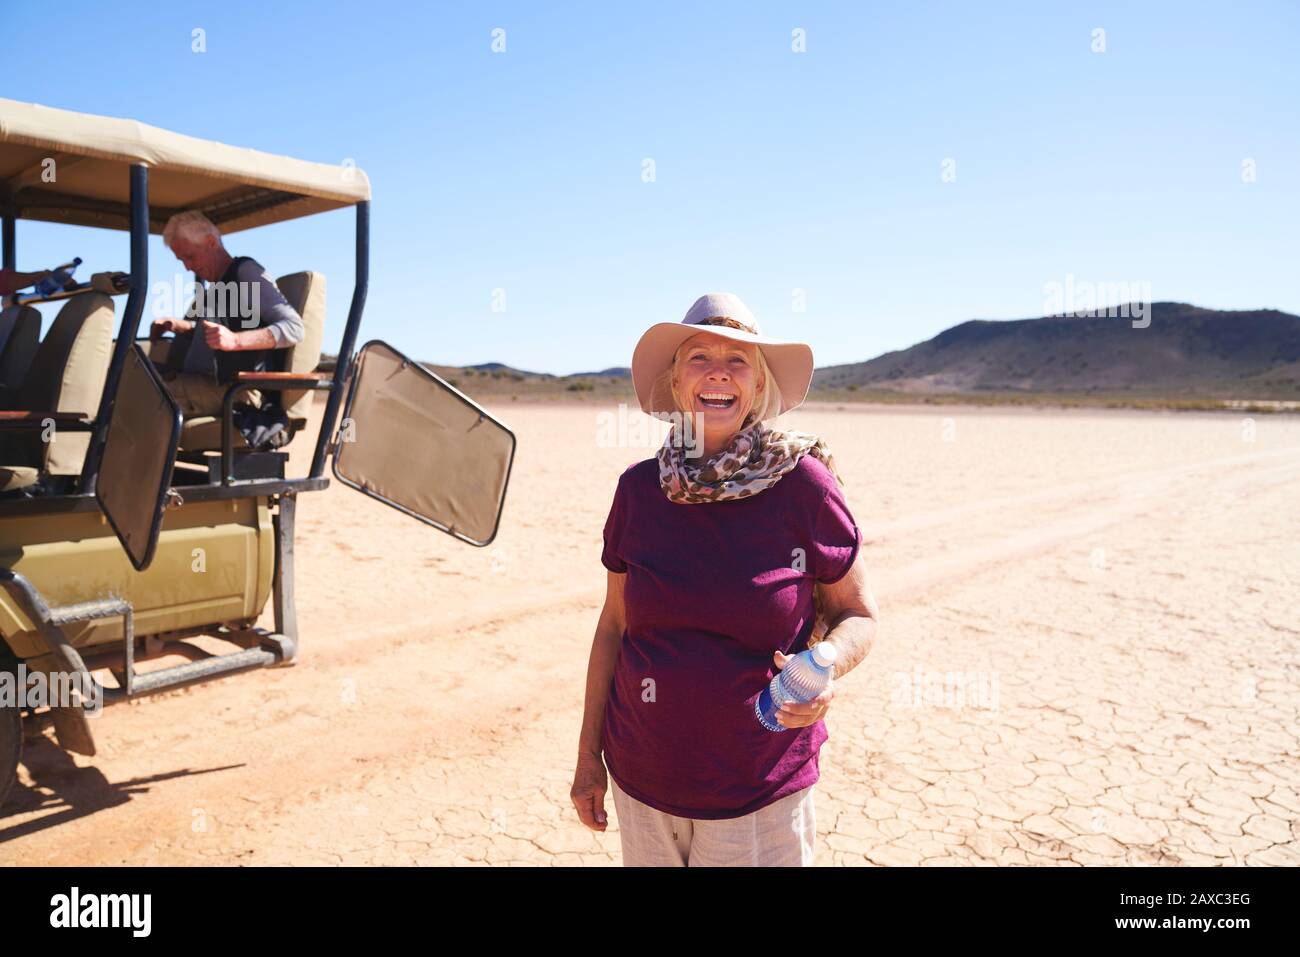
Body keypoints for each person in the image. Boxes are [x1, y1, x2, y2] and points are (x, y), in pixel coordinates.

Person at [571, 292, 880, 866]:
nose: (718, 371)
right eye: (699, 357)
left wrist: (825, 664)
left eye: (738, 359)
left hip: (757, 789)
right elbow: (614, 626)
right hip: (642, 778)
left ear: (758, 386)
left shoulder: (803, 485)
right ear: (676, 381)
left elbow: (857, 613)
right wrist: (590, 756)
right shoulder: (639, 491)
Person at [150, 210, 304, 417]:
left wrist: (235, 340)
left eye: (191, 256)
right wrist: (182, 327)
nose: (187, 267)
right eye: (182, 260)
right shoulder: (218, 286)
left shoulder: (245, 271)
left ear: (212, 242)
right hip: (205, 385)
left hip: (237, 393)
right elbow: (221, 334)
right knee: (134, 375)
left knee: (142, 391)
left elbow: (294, 329)